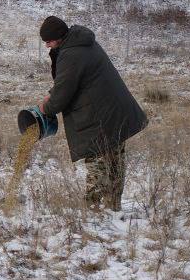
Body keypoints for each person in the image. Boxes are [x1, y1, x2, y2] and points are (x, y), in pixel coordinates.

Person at [38, 15, 147, 211]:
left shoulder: (71, 53)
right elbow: (74, 79)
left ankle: (94, 212)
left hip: (99, 118)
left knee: (98, 164)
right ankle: (112, 208)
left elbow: (62, 94)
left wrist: (46, 107)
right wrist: (52, 93)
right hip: (114, 112)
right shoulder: (82, 43)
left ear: (59, 37)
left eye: (49, 41)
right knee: (115, 162)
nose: (47, 45)